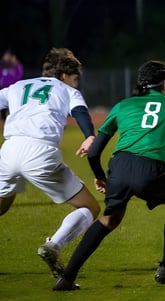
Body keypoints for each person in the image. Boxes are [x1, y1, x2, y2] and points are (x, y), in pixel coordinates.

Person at [53, 60, 165, 290]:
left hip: (119, 167)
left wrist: (100, 177)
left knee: (109, 219)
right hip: (150, 170)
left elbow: (94, 152)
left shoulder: (122, 106)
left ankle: (66, 277)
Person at [0, 48, 100, 278]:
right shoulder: (66, 90)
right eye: (75, 80)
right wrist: (89, 135)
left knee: (2, 207)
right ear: (65, 75)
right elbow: (81, 113)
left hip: (9, 150)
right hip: (40, 152)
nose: (75, 85)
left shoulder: (17, 86)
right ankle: (53, 246)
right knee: (90, 208)